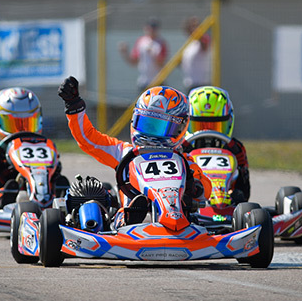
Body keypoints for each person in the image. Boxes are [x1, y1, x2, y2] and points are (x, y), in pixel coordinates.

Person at [58, 76, 212, 227]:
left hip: (178, 221)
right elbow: (88, 139)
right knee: (90, 196)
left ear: (179, 128)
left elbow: (206, 189)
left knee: (191, 212)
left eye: (158, 127)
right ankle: (131, 217)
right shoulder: (125, 152)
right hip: (130, 226)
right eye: (147, 124)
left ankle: (173, 218)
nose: (150, 133)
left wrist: (194, 186)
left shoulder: (183, 161)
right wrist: (74, 107)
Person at [0, 87, 62, 207]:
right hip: (6, 198)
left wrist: (55, 169)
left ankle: (56, 199)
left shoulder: (46, 146)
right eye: (14, 125)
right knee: (10, 185)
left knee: (61, 182)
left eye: (27, 123)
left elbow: (56, 170)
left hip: (42, 197)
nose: (21, 131)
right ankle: (11, 200)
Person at [182, 86, 250, 204]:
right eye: (200, 126)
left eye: (216, 126)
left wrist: (241, 169)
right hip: (191, 200)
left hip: (229, 202)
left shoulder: (235, 148)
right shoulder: (182, 148)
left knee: (239, 197)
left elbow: (245, 192)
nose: (208, 133)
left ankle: (225, 202)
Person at [118, 18, 168, 91]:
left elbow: (162, 63)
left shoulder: (161, 43)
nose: (151, 30)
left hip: (158, 81)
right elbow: (134, 61)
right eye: (150, 27)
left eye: (154, 28)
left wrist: (153, 54)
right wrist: (125, 53)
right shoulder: (141, 41)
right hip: (144, 82)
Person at [181, 16, 211, 93]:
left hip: (201, 84)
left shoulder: (202, 41)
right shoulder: (189, 44)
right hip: (189, 83)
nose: (194, 29)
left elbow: (205, 46)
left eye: (197, 26)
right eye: (192, 26)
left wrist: (199, 34)